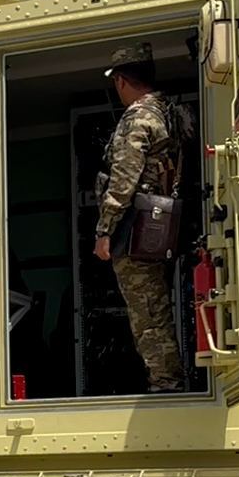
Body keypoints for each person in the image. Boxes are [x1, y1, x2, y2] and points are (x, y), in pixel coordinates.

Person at [92, 43, 191, 393]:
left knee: (147, 313)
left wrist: (105, 229)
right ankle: (169, 377)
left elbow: (124, 176)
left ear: (120, 81)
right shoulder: (168, 111)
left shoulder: (137, 117)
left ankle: (166, 382)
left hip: (136, 228)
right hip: (161, 222)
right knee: (158, 304)